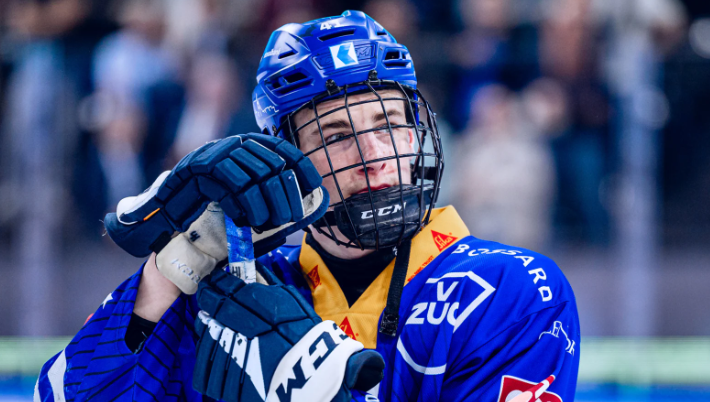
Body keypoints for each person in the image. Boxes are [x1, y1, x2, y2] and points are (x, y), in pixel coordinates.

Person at [35, 10, 580, 402]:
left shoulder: (513, 289)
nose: (372, 154)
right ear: (288, 159)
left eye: (388, 123)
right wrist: (171, 267)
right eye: (338, 134)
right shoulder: (230, 290)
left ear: (419, 133)